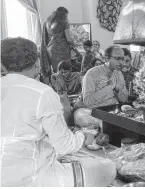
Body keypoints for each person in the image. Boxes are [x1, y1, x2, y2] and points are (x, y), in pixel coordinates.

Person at [1, 37, 116, 187]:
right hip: (31, 176)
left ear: (2, 65)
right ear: (37, 62)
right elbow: (65, 145)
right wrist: (84, 136)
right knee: (107, 168)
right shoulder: (42, 92)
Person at [40, 7, 76, 84]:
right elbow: (69, 39)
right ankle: (66, 89)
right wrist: (75, 44)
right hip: (62, 50)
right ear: (65, 14)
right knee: (65, 71)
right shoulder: (64, 22)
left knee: (56, 71)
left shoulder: (48, 23)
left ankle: (57, 88)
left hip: (50, 50)